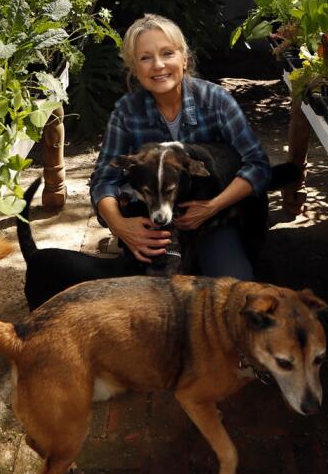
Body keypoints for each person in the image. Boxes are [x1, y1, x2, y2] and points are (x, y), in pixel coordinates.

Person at [90, 14, 272, 281]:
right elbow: (104, 180)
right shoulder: (126, 111)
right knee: (150, 292)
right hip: (153, 220)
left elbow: (258, 165)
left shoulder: (216, 101)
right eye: (145, 58)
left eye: (167, 53)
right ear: (134, 69)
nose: (158, 65)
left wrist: (212, 207)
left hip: (213, 216)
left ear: (184, 59)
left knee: (233, 283)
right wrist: (121, 227)